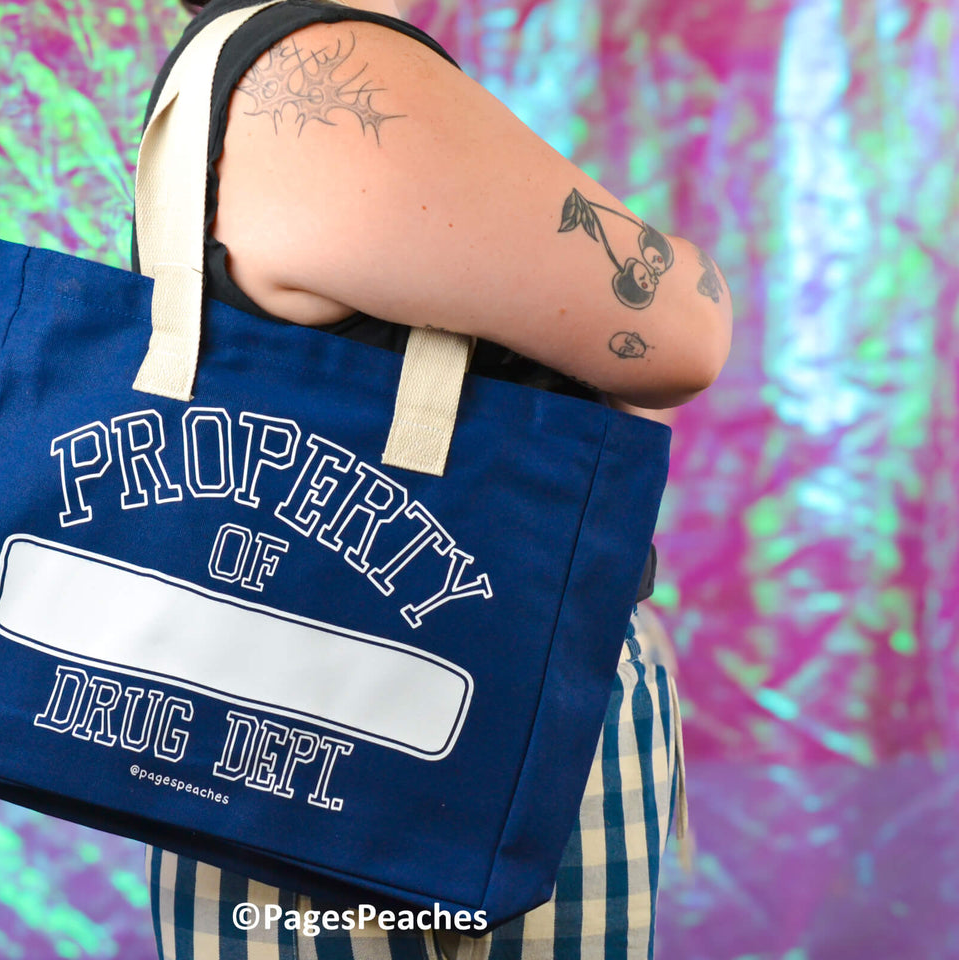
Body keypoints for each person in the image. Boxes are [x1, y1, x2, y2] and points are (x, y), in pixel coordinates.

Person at [132, 0, 731, 955]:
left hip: (257, 709)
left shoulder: (239, 69)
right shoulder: (329, 63)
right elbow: (683, 336)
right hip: (459, 708)